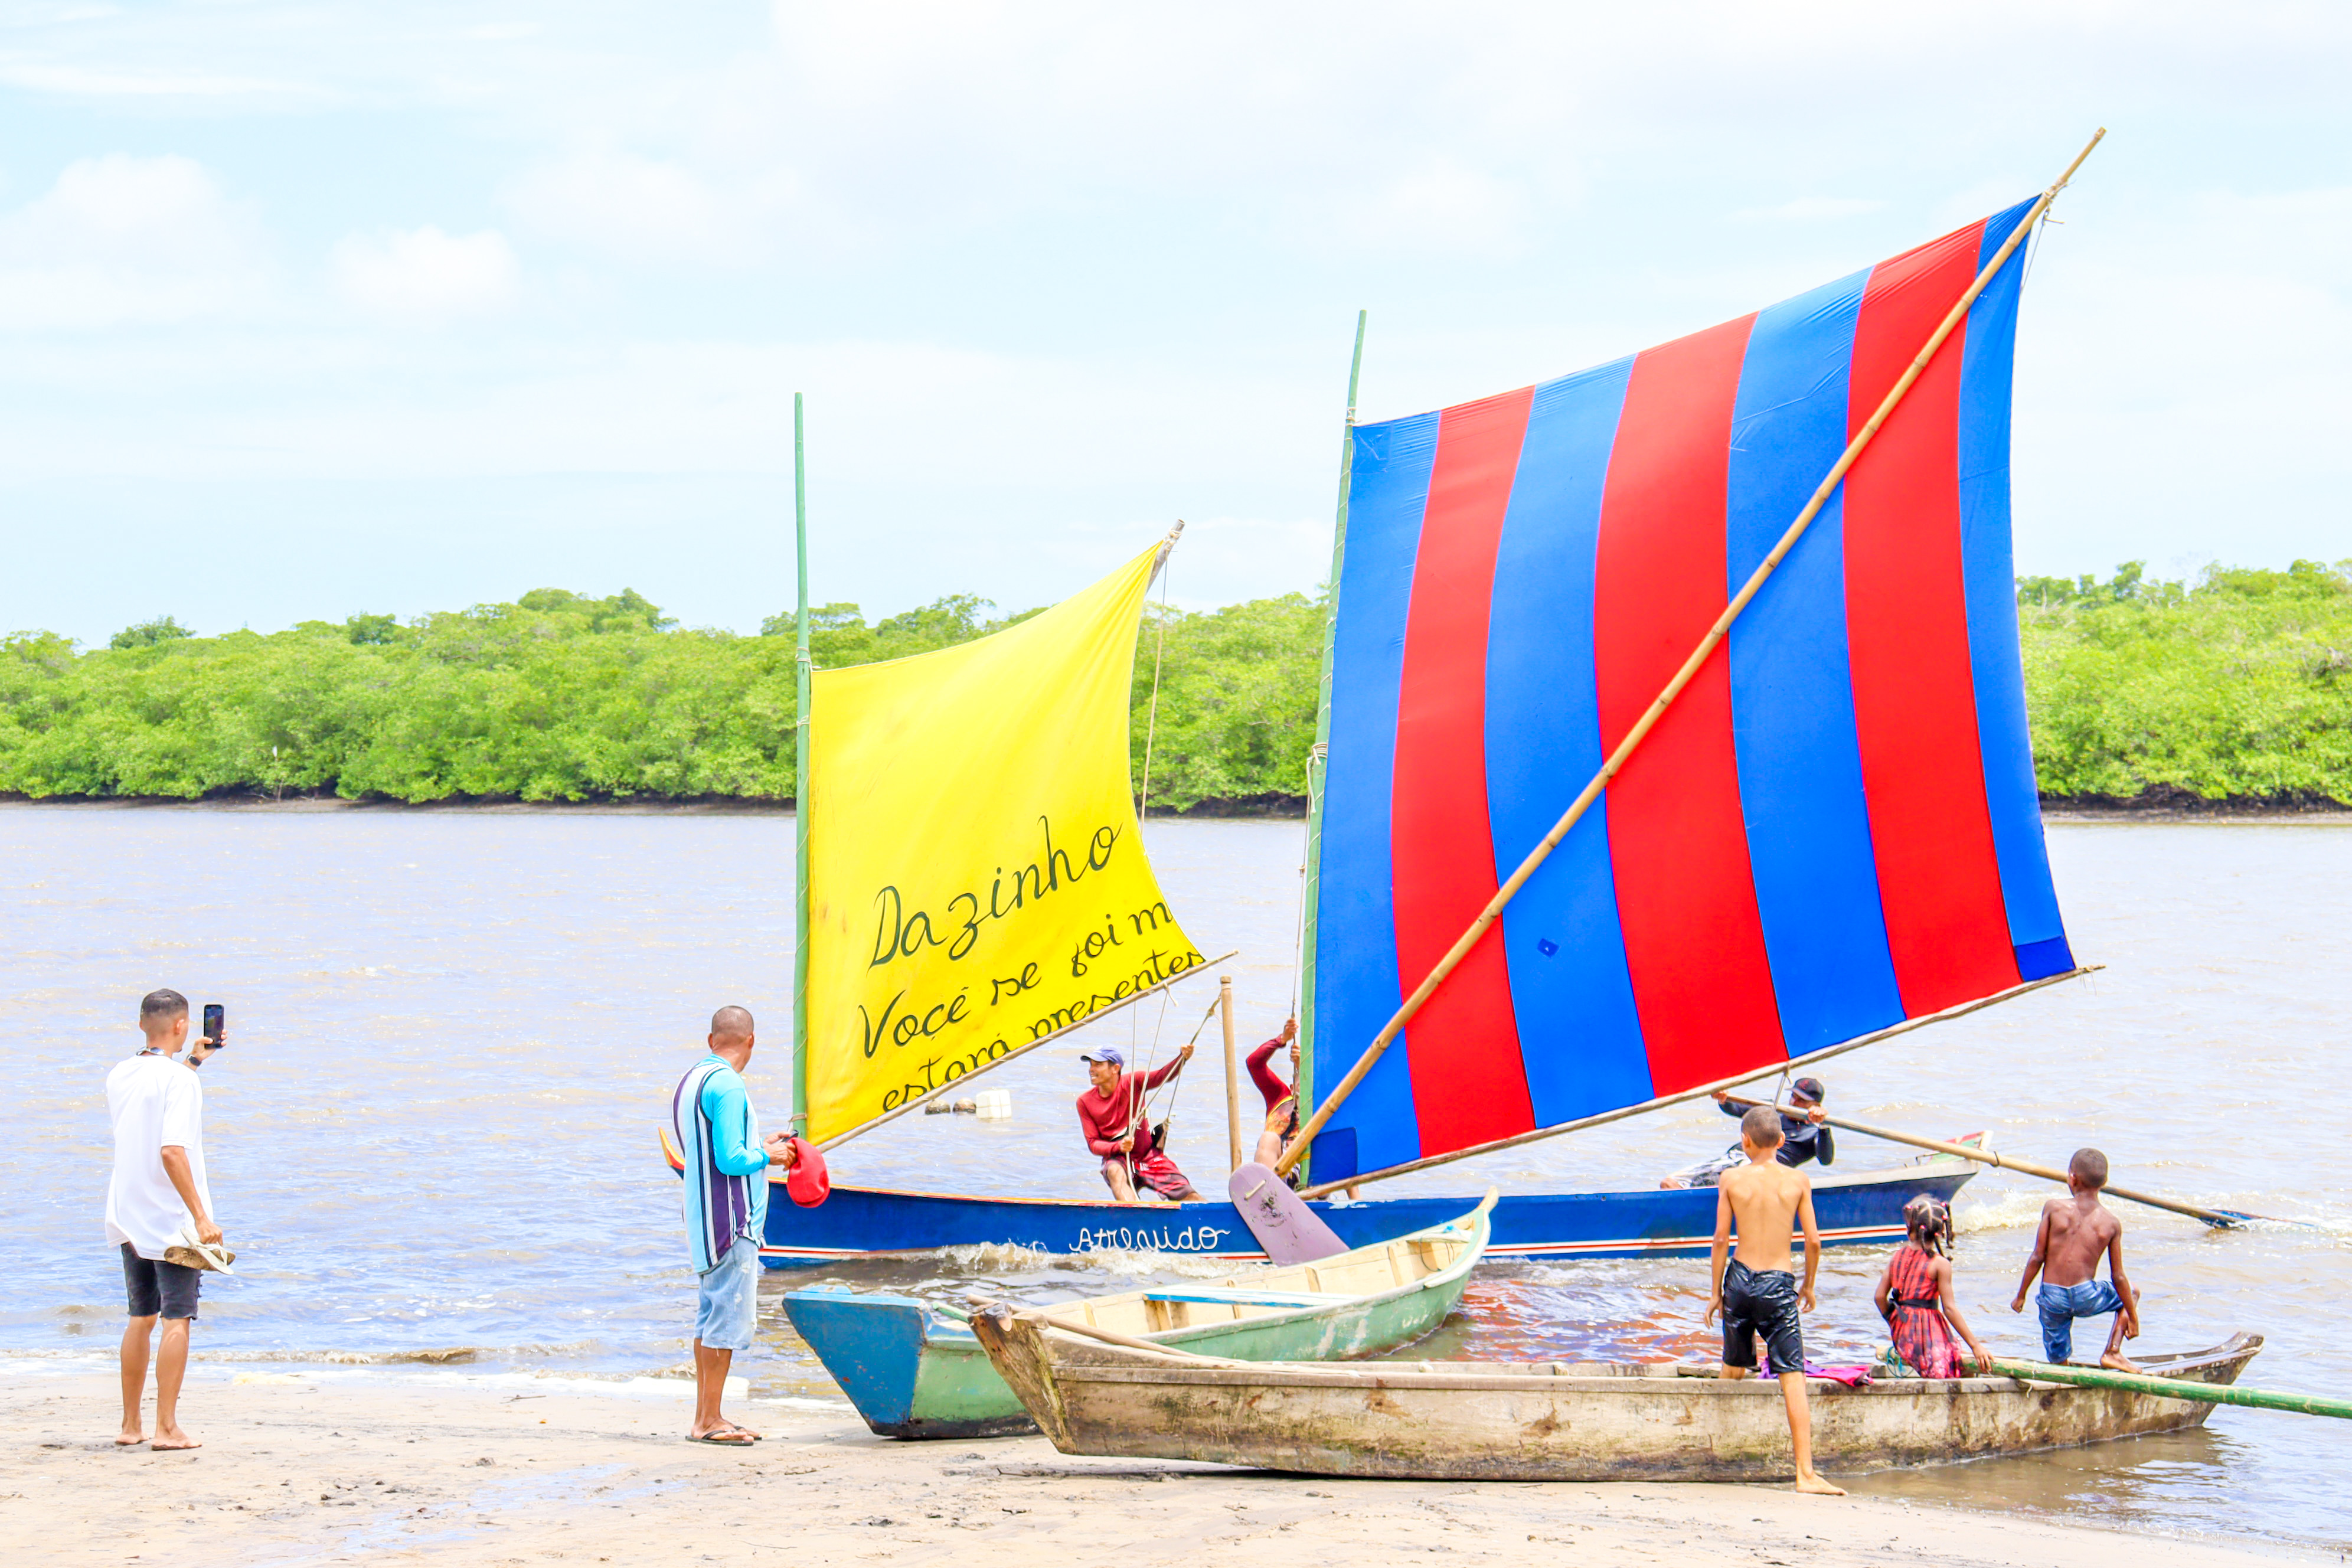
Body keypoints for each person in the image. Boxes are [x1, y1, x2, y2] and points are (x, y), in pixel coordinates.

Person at [668, 1005, 798, 1445]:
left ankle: (707, 1416)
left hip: (703, 1217)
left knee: (710, 1317)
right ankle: (708, 1421)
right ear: (751, 1042)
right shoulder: (729, 1085)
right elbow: (729, 1160)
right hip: (731, 1219)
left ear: (711, 1041)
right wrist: (769, 1155)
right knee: (725, 1319)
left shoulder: (693, 1080)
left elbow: (713, 1148)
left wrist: (758, 1144)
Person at [1703, 1106, 1844, 1496]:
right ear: (1782, 1141)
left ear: (1745, 1141)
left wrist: (1715, 1293)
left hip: (1739, 1279)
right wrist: (1809, 1286)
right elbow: (1813, 1241)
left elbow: (1720, 1239)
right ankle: (1805, 1474)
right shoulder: (1798, 1179)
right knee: (1792, 1375)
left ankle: (1715, 1449)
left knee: (1734, 1365)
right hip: (1778, 1284)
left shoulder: (1731, 1178)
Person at [106, 988, 223, 1451]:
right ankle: (167, 1428)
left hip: (127, 1213)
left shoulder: (120, 1073)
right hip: (171, 1220)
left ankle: (130, 1425)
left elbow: (155, 1098)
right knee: (178, 1318)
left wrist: (193, 1062)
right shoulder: (180, 1083)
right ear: (181, 1025)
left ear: (142, 1025)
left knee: (141, 1318)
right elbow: (172, 1151)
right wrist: (201, 1217)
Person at [2010, 1148, 2142, 1371]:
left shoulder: (2053, 1208)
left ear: (2072, 1178)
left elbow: (2037, 1256)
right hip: (2085, 1296)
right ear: (2104, 1182)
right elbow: (2118, 1276)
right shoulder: (2111, 1223)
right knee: (2133, 1291)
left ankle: (2061, 1371)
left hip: (2053, 1297)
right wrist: (2133, 1316)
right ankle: (2113, 1352)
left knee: (2057, 1351)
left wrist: (2021, 1295)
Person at [1873, 1194, 1992, 1378]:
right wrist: (1976, 1346)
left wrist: (1895, 1321)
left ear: (1911, 1228)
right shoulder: (1940, 1264)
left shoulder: (1897, 1256)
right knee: (1959, 1365)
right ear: (1941, 1232)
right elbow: (1949, 1309)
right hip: (1926, 1332)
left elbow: (1880, 1297)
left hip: (1902, 1335)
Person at [1075, 1043, 1198, 1201]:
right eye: (1091, 1065)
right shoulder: (1084, 1102)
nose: (1091, 1070)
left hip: (1148, 1156)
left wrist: (1182, 1058)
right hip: (1117, 1159)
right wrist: (1118, 1146)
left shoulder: (1134, 1082)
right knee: (1114, 1171)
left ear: (1115, 1069)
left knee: (1191, 1196)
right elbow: (1093, 1143)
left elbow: (1161, 1077)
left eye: (1098, 1065)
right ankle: (1134, 1214)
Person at [1661, 1078, 1832, 1188]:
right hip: (1735, 1158)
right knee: (1669, 1183)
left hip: (1762, 1172)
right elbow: (1734, 1108)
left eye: (1801, 1100)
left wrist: (1824, 1124)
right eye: (1794, 1096)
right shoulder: (1771, 1110)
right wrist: (1723, 1096)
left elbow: (1826, 1160)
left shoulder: (1813, 1133)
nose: (1794, 1102)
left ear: (1815, 1106)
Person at [1245, 1018, 1300, 1170]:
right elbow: (1254, 1064)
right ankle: (1265, 1182)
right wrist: (1281, 1040)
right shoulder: (1280, 1097)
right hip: (1277, 1171)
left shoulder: (1324, 1103)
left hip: (1305, 1170)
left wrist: (1303, 1065)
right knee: (1268, 1138)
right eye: (1301, 1079)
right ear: (1292, 1088)